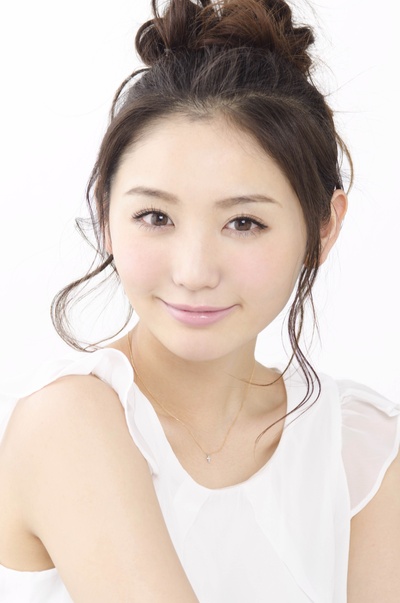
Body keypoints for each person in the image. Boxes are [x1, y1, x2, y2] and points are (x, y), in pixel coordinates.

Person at [0, 0, 399, 601]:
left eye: (243, 223)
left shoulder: (360, 451)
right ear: (105, 214)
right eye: (155, 216)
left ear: (323, 228)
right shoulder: (70, 421)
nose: (193, 273)